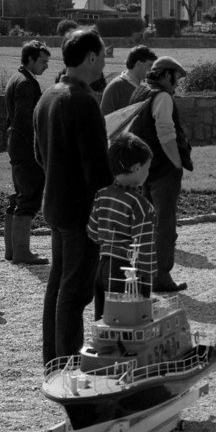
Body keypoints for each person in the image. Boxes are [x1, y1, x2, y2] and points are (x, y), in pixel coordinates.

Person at [33, 26, 113, 365]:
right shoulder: (82, 100)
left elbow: (39, 154)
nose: (105, 63)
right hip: (81, 211)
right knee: (75, 290)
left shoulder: (48, 95)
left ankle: (54, 359)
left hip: (55, 204)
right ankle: (67, 364)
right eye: (104, 56)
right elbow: (96, 169)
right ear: (91, 57)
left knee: (58, 286)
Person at [129, 56, 193, 292]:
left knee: (144, 223)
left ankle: (143, 273)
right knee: (165, 226)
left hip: (143, 168)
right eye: (176, 78)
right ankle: (161, 276)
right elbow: (166, 134)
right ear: (167, 75)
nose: (177, 83)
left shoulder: (140, 91)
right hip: (162, 170)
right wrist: (176, 163)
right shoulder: (162, 97)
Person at [86, 132, 155, 320]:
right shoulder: (140, 205)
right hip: (125, 272)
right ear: (136, 167)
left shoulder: (102, 195)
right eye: (147, 168)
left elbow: (92, 232)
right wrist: (147, 282)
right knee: (128, 321)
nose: (148, 173)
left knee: (104, 320)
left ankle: (103, 348)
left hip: (102, 268)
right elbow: (144, 247)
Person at [4, 40, 52, 265]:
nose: (46, 66)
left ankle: (12, 251)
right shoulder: (25, 83)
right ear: (30, 59)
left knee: (19, 197)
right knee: (29, 198)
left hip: (16, 145)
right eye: (43, 61)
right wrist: (40, 147)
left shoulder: (17, 78)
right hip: (27, 148)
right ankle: (22, 252)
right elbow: (25, 120)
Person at [99, 45, 157, 115]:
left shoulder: (147, 86)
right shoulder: (116, 87)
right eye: (150, 65)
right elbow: (105, 118)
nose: (152, 70)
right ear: (139, 64)